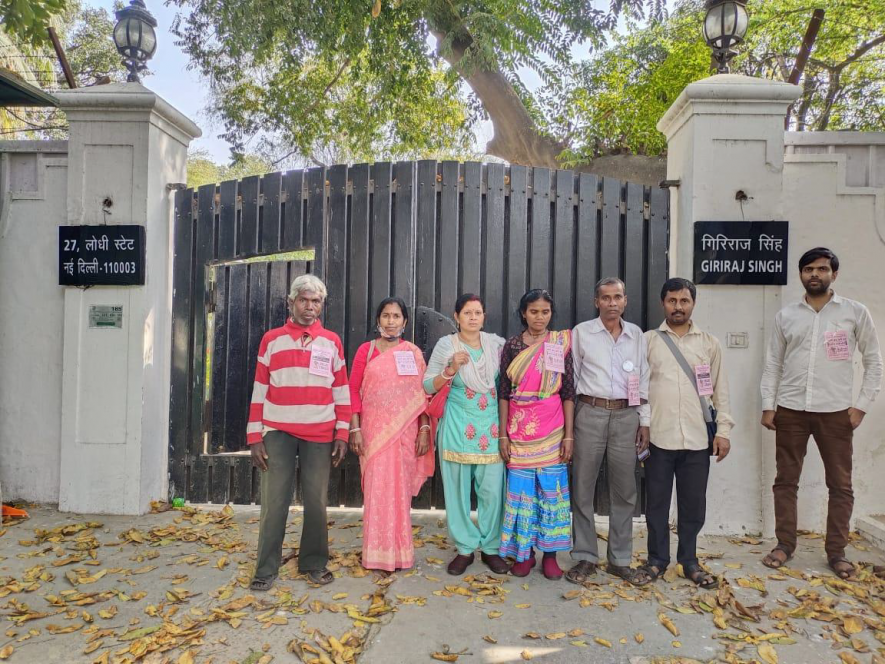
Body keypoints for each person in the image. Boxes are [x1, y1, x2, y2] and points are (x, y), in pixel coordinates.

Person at [760, 247, 882, 579]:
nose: (815, 274)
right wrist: (768, 405)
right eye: (809, 269)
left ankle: (837, 552)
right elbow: (773, 364)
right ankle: (784, 545)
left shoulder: (854, 313)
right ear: (800, 274)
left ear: (834, 274)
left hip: (835, 413)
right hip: (791, 410)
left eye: (822, 269)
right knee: (785, 481)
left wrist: (860, 408)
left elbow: (874, 364)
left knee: (840, 485)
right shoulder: (787, 316)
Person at [247, 275, 351, 589]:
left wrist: (342, 432)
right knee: (274, 501)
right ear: (291, 301)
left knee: (317, 502)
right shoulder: (272, 339)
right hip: (277, 430)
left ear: (322, 305)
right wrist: (255, 437)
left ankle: (313, 563)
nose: (309, 307)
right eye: (303, 300)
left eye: (315, 301)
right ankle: (265, 568)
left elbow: (341, 388)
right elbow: (259, 389)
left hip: (320, 431)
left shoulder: (331, 341)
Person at [641, 278, 734, 589]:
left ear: (693, 303)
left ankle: (689, 561)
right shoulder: (648, 341)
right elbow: (639, 390)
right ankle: (656, 560)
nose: (678, 307)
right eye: (672, 301)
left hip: (697, 439)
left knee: (693, 505)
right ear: (662, 303)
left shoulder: (709, 343)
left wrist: (724, 431)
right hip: (658, 437)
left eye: (684, 301)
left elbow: (721, 391)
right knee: (655, 504)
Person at [566, 277, 651, 586]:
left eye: (618, 297)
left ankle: (620, 559)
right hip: (589, 413)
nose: (612, 303)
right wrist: (569, 428)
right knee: (583, 487)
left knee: (625, 490)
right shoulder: (582, 333)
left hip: (626, 416)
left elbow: (643, 378)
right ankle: (586, 556)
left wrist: (645, 420)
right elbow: (570, 381)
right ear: (596, 302)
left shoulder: (637, 335)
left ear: (625, 301)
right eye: (606, 298)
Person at [424, 294, 509, 576]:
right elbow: (427, 385)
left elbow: (508, 385)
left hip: (492, 426)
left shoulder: (497, 346)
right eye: (467, 313)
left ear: (484, 316)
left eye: (478, 312)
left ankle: (491, 548)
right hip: (457, 425)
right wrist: (451, 368)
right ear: (457, 316)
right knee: (458, 491)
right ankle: (463, 548)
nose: (473, 318)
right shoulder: (446, 345)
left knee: (492, 492)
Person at [348, 297, 433, 574]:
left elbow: (423, 396)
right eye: (386, 315)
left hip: (406, 434)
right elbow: (353, 391)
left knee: (399, 492)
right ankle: (376, 555)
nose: (391, 321)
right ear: (378, 320)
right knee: (376, 491)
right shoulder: (367, 351)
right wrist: (355, 428)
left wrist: (424, 428)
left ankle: (400, 553)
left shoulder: (413, 353)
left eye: (396, 316)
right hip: (374, 434)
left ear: (404, 322)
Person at [498, 289, 575, 580]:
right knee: (522, 492)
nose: (539, 317)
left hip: (552, 426)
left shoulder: (559, 344)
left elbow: (568, 391)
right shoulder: (513, 346)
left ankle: (551, 555)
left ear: (551, 314)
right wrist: (503, 435)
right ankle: (525, 554)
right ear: (523, 313)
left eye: (545, 312)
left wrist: (569, 435)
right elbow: (504, 393)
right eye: (533, 312)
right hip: (519, 429)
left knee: (551, 492)